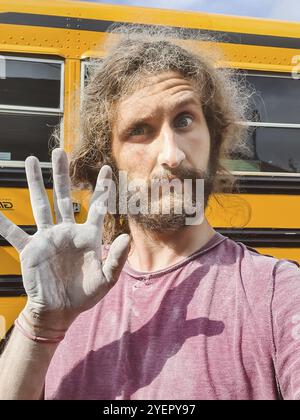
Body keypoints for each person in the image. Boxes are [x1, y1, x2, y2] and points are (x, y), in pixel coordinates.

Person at [0, 26, 300, 401]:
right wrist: (40, 325)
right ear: (107, 162)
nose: (172, 156)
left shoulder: (278, 292)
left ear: (214, 138)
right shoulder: (71, 287)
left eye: (185, 121)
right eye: (140, 130)